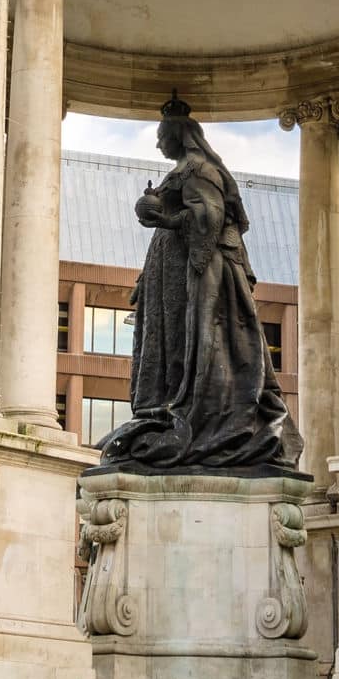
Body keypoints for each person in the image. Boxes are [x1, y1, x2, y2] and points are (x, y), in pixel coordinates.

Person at [97, 94, 298, 473]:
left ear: (178, 134)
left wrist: (166, 219)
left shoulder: (199, 170)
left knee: (184, 340)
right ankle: (163, 410)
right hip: (169, 272)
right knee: (167, 341)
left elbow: (211, 217)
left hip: (191, 272)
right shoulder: (183, 171)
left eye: (161, 135)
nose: (158, 143)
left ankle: (185, 414)